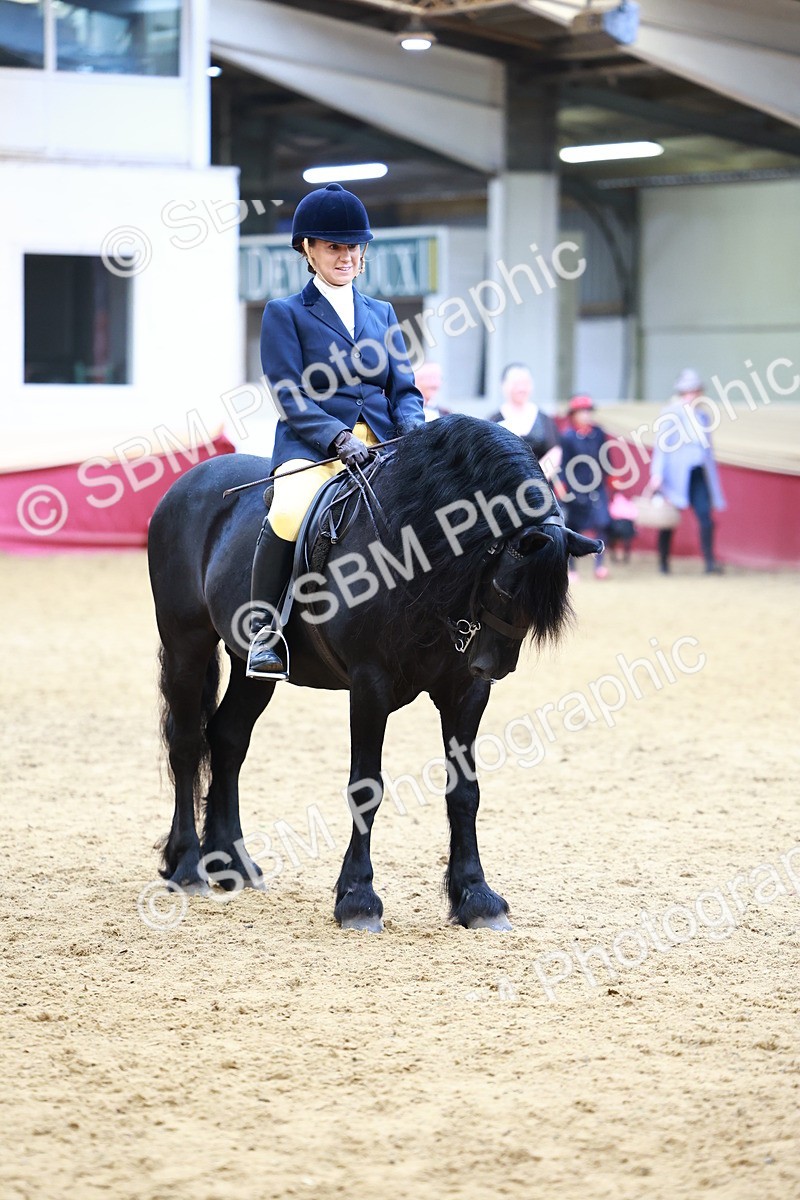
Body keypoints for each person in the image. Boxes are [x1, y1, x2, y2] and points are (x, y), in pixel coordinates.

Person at [247, 183, 425, 680]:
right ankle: (266, 630)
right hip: (315, 445)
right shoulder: (285, 313)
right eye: (333, 247)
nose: (345, 256)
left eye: (352, 247)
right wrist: (336, 438)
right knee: (287, 511)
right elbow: (289, 394)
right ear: (308, 248)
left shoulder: (382, 313)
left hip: (385, 444)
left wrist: (413, 432)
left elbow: (404, 389)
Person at [647, 368, 726, 574]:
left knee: (705, 517)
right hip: (676, 473)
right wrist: (657, 473)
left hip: (698, 471)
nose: (693, 394)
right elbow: (662, 445)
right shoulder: (670, 413)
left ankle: (709, 563)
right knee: (668, 518)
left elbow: (707, 448)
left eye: (695, 390)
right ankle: (663, 563)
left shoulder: (703, 416)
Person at [557, 394, 611, 579]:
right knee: (572, 526)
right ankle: (572, 569)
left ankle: (600, 566)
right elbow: (563, 463)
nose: (586, 415)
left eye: (588, 411)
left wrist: (611, 477)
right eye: (581, 411)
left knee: (602, 523)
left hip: (597, 486)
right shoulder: (568, 437)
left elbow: (606, 458)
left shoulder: (598, 434)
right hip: (575, 487)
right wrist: (562, 484)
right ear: (573, 414)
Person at [487, 363, 561, 478]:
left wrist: (536, 479)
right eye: (516, 383)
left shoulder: (544, 419)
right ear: (503, 385)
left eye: (525, 383)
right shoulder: (493, 421)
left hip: (541, 485)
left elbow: (555, 452)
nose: (521, 388)